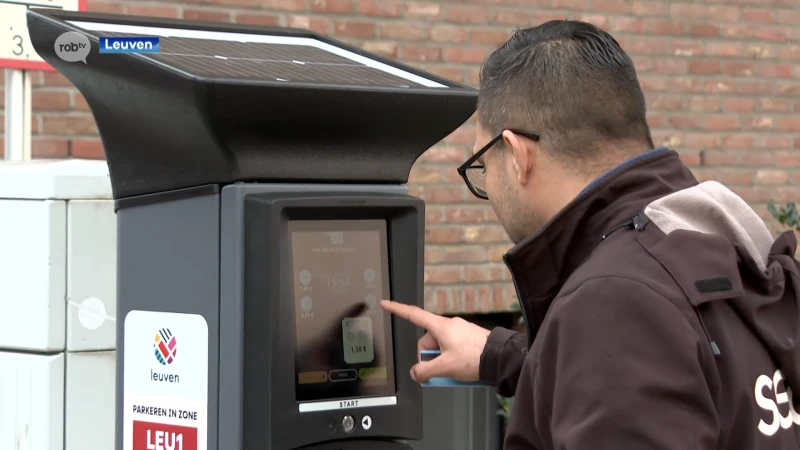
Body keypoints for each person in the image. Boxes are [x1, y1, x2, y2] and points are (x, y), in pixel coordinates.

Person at [381, 19, 800, 449]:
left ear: (518, 156)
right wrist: (503, 356)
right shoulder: (713, 238)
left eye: (481, 166)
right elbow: (673, 385)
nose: (485, 187)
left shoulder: (614, 301)